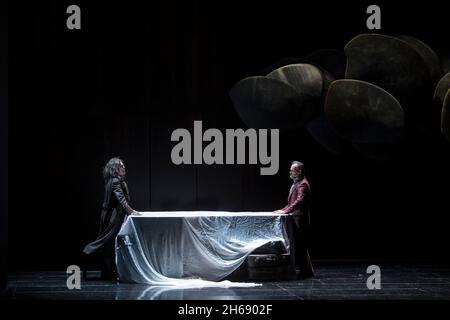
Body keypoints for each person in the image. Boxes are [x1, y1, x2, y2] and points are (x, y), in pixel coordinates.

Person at [83, 157, 140, 280]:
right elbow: (121, 199)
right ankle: (89, 252)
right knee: (107, 241)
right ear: (115, 168)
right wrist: (131, 212)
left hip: (110, 215)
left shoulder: (113, 180)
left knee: (108, 242)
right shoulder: (115, 181)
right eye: (121, 165)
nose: (124, 167)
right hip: (112, 216)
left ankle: (107, 270)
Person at [275, 161, 314, 279]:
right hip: (296, 218)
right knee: (299, 245)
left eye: (293, 170)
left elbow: (299, 201)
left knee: (301, 246)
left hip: (300, 220)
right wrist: (283, 209)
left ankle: (305, 271)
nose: (290, 172)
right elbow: (291, 202)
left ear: (299, 171)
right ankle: (306, 270)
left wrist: (285, 211)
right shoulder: (297, 183)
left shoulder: (303, 184)